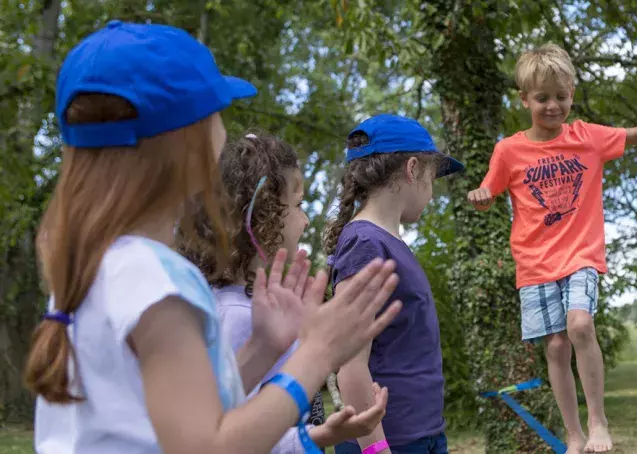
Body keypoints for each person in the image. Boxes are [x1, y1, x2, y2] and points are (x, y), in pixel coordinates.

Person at [24, 20, 402, 454]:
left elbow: (183, 413)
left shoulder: (100, 265)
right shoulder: (155, 281)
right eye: (216, 112)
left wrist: (263, 347)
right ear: (189, 143)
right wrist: (315, 354)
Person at [466, 43, 637, 453]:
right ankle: (573, 434)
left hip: (581, 255)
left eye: (561, 97)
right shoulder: (509, 150)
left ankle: (599, 421)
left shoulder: (587, 137)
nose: (553, 106)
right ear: (524, 99)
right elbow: (490, 187)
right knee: (555, 346)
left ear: (571, 93)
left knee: (581, 326)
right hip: (535, 264)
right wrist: (482, 194)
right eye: (542, 98)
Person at [177, 132, 391, 452]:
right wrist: (319, 436)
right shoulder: (237, 317)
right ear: (263, 213)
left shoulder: (247, 305)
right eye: (299, 205)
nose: (305, 221)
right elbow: (230, 439)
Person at [323, 114, 464, 454]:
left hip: (422, 432)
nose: (431, 192)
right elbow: (351, 365)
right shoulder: (366, 244)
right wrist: (376, 449)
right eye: (432, 178)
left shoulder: (388, 242)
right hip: (391, 442)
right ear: (413, 169)